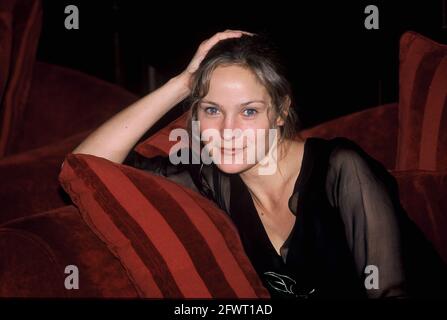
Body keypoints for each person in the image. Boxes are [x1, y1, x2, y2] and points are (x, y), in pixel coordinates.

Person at [71, 30, 446, 299]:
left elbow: (390, 291)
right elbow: (87, 166)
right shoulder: (209, 178)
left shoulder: (342, 170)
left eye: (249, 111)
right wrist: (182, 84)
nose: (228, 130)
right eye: (212, 110)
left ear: (281, 112)